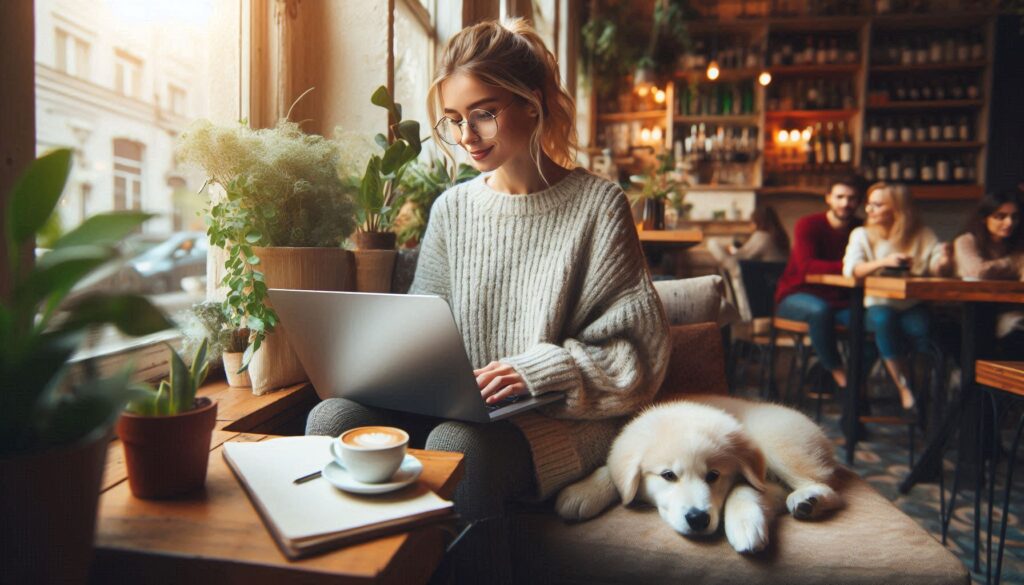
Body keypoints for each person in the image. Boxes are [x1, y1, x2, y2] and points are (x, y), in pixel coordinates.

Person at [305, 19, 670, 583]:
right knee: (331, 418)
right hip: (466, 408)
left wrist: (537, 371)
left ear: (534, 102)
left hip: (567, 415)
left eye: (484, 111)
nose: (468, 134)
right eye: (454, 120)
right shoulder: (452, 209)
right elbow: (422, 329)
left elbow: (636, 355)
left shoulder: (600, 205)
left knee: (457, 446)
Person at [843, 182, 952, 411]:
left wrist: (943, 261)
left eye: (878, 205)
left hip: (911, 304)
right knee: (883, 321)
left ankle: (925, 394)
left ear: (897, 208)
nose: (869, 210)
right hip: (877, 303)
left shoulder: (922, 234)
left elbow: (935, 268)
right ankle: (904, 388)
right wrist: (884, 262)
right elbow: (851, 270)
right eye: (869, 204)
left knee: (922, 329)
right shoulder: (862, 234)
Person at [774, 175, 866, 389]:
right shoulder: (808, 225)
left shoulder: (861, 229)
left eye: (852, 198)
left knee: (866, 319)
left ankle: (857, 382)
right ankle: (840, 377)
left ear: (859, 201)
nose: (845, 203)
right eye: (840, 197)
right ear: (828, 198)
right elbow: (807, 267)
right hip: (795, 296)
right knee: (820, 311)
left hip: (840, 301)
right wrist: (851, 267)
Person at [951, 189, 1024, 357]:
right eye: (1000, 216)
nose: (1009, 222)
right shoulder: (966, 240)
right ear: (984, 218)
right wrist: (1013, 262)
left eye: (1014, 217)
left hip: (1008, 308)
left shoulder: (1018, 244)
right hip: (968, 310)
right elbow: (978, 272)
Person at [709, 205, 790, 321]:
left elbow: (740, 257)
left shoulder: (762, 237)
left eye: (752, 222)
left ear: (757, 222)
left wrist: (731, 250)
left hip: (761, 293)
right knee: (734, 269)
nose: (751, 226)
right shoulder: (781, 237)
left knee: (714, 246)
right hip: (776, 290)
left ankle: (738, 316)